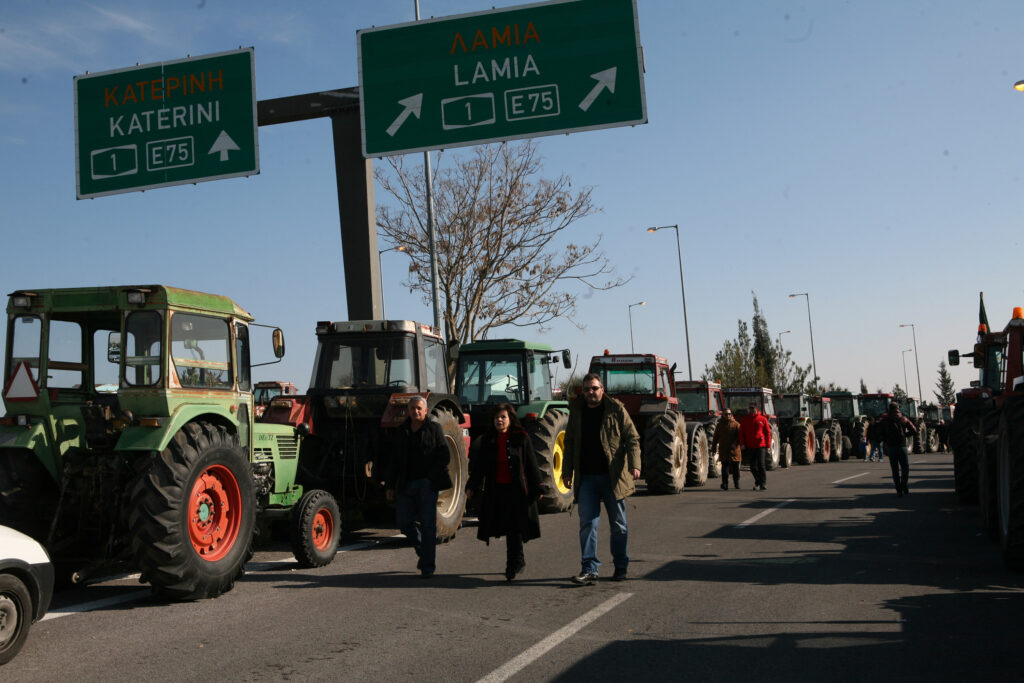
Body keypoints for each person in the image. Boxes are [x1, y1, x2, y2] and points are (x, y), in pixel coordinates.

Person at [561, 373, 641, 585]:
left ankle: (621, 566)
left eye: (594, 388)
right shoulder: (576, 411)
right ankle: (589, 569)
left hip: (613, 477)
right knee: (587, 524)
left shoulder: (616, 409)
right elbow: (569, 442)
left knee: (619, 525)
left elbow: (632, 438)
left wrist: (635, 464)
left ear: (602, 390)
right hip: (586, 478)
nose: (590, 392)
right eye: (587, 389)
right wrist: (566, 471)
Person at [467, 403, 543, 582]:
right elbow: (480, 466)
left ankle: (512, 564)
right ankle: (518, 560)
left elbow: (531, 463)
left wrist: (538, 486)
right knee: (507, 526)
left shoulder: (521, 438)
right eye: (496, 418)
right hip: (497, 490)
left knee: (514, 527)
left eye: (503, 417)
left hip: (517, 490)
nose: (499, 420)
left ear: (510, 419)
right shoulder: (488, 440)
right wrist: (472, 485)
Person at [385, 396, 452, 578]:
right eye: (413, 408)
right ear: (408, 411)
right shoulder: (402, 431)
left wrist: (431, 477)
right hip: (406, 484)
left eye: (419, 408)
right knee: (404, 522)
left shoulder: (434, 429)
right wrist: (390, 485)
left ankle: (427, 567)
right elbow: (395, 460)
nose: (416, 411)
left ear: (425, 410)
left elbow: (444, 455)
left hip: (427, 485)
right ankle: (424, 549)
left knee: (428, 525)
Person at [878, 402, 917, 497]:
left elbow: (879, 434)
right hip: (902, 446)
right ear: (898, 408)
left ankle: (898, 490)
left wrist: (886, 440)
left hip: (891, 448)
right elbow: (914, 430)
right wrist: (905, 435)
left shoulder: (884, 420)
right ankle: (904, 482)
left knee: (895, 470)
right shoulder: (903, 418)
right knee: (905, 467)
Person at [740, 402, 772, 491]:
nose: (751, 410)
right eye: (750, 408)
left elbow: (767, 433)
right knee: (752, 466)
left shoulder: (762, 419)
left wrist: (768, 445)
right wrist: (742, 444)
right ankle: (758, 481)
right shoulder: (745, 419)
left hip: (761, 446)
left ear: (756, 409)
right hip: (750, 446)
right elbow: (741, 433)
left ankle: (763, 484)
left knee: (761, 465)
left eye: (753, 408)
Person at [711, 409, 742, 490]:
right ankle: (725, 484)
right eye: (726, 414)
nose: (728, 415)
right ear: (723, 415)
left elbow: (740, 437)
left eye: (729, 414)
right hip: (724, 450)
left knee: (735, 468)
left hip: (734, 450)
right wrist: (713, 449)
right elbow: (715, 438)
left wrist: (735, 444)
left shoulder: (736, 424)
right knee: (725, 468)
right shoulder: (720, 425)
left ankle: (736, 483)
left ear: (731, 414)